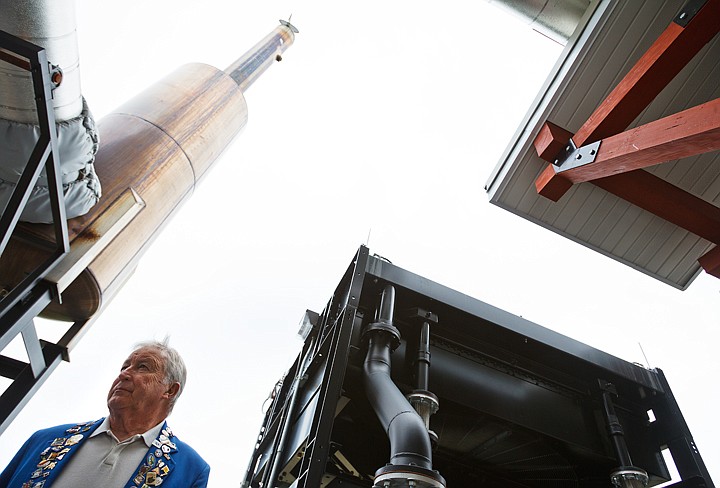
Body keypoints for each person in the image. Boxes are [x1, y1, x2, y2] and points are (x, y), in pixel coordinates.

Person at [0, 340, 210, 487]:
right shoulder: (44, 440)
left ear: (170, 390)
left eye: (143, 367)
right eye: (124, 366)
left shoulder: (191, 469)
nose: (124, 374)